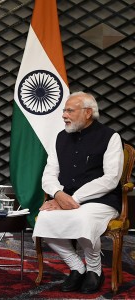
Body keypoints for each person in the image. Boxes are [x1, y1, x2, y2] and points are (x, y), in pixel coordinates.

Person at [32, 91, 123, 294]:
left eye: (69, 110)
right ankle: (76, 267)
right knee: (44, 220)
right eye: (64, 110)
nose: (64, 115)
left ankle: (94, 270)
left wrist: (72, 199)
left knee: (82, 218)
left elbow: (111, 179)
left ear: (88, 112)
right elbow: (48, 174)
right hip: (65, 199)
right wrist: (57, 194)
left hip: (102, 200)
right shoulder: (60, 138)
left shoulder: (110, 137)